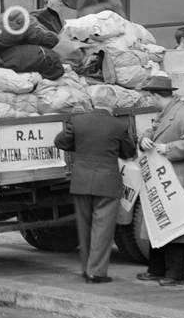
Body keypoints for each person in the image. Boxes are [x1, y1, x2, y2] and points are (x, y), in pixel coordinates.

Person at [53, 85, 136, 284]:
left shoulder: (78, 121)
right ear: (113, 103)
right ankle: (96, 272)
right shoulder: (118, 125)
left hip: (81, 181)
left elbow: (60, 142)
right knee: (103, 229)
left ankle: (86, 269)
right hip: (107, 183)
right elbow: (128, 152)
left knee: (84, 227)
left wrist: (79, 146)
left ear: (93, 102)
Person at [136, 73, 184, 285]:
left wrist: (169, 148)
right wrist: (144, 139)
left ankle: (176, 275)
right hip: (167, 180)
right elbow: (154, 130)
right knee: (161, 226)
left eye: (150, 97)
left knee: (177, 229)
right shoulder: (169, 111)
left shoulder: (182, 114)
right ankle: (157, 269)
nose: (149, 101)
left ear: (157, 96)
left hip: (178, 180)